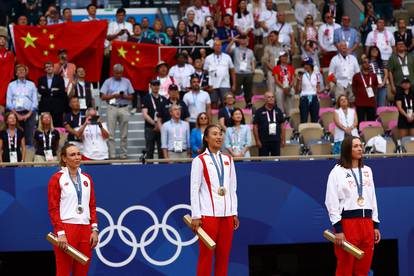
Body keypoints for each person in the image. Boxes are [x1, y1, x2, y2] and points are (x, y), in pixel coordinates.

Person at [325, 135, 380, 276]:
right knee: (345, 268)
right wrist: (338, 228)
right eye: (355, 146)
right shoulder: (337, 172)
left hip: (367, 224)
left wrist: (375, 225)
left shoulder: (368, 170)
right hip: (348, 225)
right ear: (347, 150)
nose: (360, 148)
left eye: (360, 145)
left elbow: (372, 198)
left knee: (363, 269)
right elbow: (331, 201)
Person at [190, 124, 239, 276]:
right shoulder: (199, 160)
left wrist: (234, 212)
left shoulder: (228, 159)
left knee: (224, 257)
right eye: (215, 134)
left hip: (227, 216)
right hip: (208, 216)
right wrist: (196, 215)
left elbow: (232, 188)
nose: (219, 137)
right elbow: (194, 189)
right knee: (206, 257)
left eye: (221, 134)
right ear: (206, 138)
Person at [48, 143, 99, 276]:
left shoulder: (87, 178)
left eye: (78, 154)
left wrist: (94, 230)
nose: (77, 157)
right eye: (72, 155)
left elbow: (92, 205)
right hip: (67, 228)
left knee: (82, 272)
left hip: (86, 229)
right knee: (63, 272)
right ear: (64, 158)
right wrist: (60, 233)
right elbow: (53, 209)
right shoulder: (57, 178)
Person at [100, 64, 134, 159]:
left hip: (124, 107)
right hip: (112, 107)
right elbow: (102, 96)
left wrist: (123, 96)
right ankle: (113, 155)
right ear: (113, 72)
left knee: (124, 133)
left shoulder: (127, 81)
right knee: (111, 133)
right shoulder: (108, 82)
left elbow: (132, 96)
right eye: (116, 73)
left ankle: (123, 154)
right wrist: (114, 95)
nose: (118, 75)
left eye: (120, 73)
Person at [6, 64, 38, 146]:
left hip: (30, 114)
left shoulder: (31, 84)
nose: (21, 71)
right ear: (16, 73)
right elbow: (9, 102)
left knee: (29, 135)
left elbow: (35, 101)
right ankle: (17, 155)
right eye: (19, 70)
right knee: (16, 135)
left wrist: (28, 114)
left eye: (23, 70)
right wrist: (17, 115)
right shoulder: (11, 85)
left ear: (26, 72)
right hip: (15, 114)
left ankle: (29, 156)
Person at [204, 40, 236, 108]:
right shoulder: (208, 58)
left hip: (225, 84)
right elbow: (205, 73)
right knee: (213, 103)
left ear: (221, 46)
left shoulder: (227, 57)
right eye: (216, 45)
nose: (218, 47)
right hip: (212, 85)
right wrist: (207, 86)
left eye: (219, 45)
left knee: (226, 102)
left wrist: (234, 84)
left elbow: (232, 71)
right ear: (213, 47)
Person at [253, 91, 285, 156]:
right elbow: (255, 127)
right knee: (264, 162)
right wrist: (257, 140)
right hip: (263, 141)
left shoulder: (278, 110)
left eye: (273, 97)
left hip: (276, 140)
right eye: (269, 97)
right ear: (264, 99)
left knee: (276, 161)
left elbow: (282, 126)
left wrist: (283, 139)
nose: (271, 99)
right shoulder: (259, 111)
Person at [226, 35, 255, 106]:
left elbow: (252, 61)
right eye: (242, 39)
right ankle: (234, 104)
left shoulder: (250, 51)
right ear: (239, 41)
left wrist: (253, 69)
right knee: (235, 90)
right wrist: (233, 40)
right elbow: (227, 50)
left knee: (248, 90)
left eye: (245, 39)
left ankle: (248, 103)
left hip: (248, 72)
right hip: (237, 72)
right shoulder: (235, 50)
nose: (244, 41)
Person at [38, 61, 68, 128]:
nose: (48, 68)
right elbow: (40, 91)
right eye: (47, 67)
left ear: (53, 68)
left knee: (57, 126)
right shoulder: (41, 79)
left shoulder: (60, 78)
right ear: (45, 69)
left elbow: (62, 91)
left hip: (57, 107)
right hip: (45, 107)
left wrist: (46, 90)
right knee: (45, 126)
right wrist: (52, 90)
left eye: (50, 66)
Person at [142, 79, 167, 159]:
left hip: (161, 128)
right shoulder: (146, 98)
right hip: (150, 127)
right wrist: (154, 123)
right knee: (149, 150)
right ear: (150, 86)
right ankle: (149, 170)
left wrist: (159, 125)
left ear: (159, 86)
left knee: (161, 150)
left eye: (157, 85)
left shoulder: (164, 99)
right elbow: (145, 114)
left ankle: (162, 169)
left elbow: (165, 114)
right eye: (154, 85)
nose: (156, 87)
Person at [352, 56, 378, 123]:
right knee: (360, 123)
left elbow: (375, 87)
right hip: (360, 103)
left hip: (371, 103)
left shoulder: (374, 75)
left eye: (368, 62)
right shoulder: (356, 76)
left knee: (371, 123)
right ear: (361, 65)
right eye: (364, 62)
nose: (366, 64)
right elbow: (354, 89)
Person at [296, 57, 320, 123]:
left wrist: (321, 90)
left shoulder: (316, 75)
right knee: (303, 119)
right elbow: (297, 90)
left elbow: (318, 89)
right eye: (304, 64)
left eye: (307, 64)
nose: (305, 66)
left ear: (311, 65)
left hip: (314, 98)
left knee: (315, 120)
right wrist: (298, 81)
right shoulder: (302, 75)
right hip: (304, 98)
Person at [273, 51, 295, 115]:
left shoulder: (291, 67)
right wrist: (284, 88)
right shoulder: (276, 68)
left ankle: (290, 114)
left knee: (292, 91)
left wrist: (289, 87)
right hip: (280, 86)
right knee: (279, 93)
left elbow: (293, 79)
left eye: (286, 56)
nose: (285, 58)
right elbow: (276, 80)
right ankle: (281, 113)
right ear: (280, 58)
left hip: (289, 86)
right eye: (283, 56)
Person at [0, 30, 14, 112]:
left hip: (6, 80)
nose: (2, 40)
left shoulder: (10, 54)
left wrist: (10, 78)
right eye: (0, 38)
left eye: (3, 39)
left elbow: (12, 67)